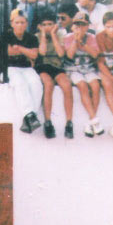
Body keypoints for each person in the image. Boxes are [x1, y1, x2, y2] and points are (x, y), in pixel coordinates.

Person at [63, 11, 104, 137]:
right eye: (77, 25)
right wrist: (76, 41)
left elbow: (95, 54)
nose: (80, 28)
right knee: (82, 86)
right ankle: (94, 119)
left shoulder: (91, 38)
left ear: (87, 26)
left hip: (88, 68)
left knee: (95, 86)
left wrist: (84, 44)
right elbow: (69, 55)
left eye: (83, 25)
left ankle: (90, 122)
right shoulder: (68, 37)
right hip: (73, 69)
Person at [35, 10, 74, 139]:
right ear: (40, 26)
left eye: (50, 24)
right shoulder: (37, 36)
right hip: (43, 66)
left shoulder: (60, 35)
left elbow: (61, 53)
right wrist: (43, 35)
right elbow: (42, 53)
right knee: (48, 84)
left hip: (56, 66)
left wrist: (53, 35)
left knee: (67, 85)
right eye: (44, 24)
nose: (47, 27)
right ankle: (47, 121)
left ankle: (69, 122)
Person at [5, 9, 43, 134]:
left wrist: (20, 48)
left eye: (22, 22)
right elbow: (9, 52)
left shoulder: (31, 38)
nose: (20, 25)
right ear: (12, 23)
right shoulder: (6, 35)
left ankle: (30, 118)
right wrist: (26, 51)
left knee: (36, 84)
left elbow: (34, 55)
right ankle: (30, 116)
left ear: (26, 23)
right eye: (17, 22)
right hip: (10, 67)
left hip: (27, 67)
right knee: (20, 83)